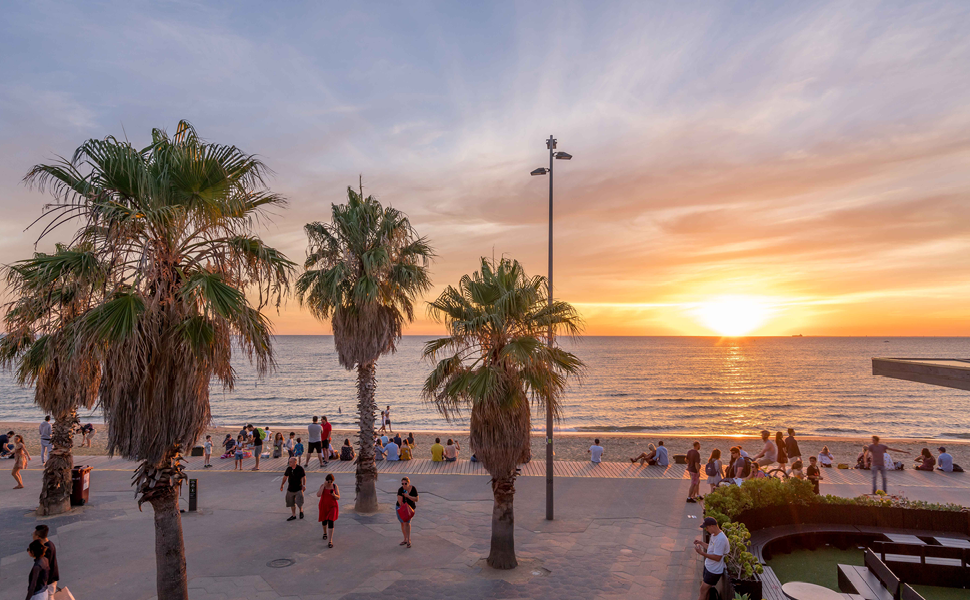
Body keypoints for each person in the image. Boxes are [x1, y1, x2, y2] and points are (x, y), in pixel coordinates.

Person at [694, 517, 729, 600]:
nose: (706, 529)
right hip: (709, 566)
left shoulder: (721, 539)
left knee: (702, 590)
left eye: (707, 527)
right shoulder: (714, 535)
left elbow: (718, 558)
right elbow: (711, 548)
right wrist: (700, 543)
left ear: (712, 526)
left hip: (714, 570)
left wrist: (702, 553)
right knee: (706, 591)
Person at [33, 525, 58, 597]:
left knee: (50, 597)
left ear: (38, 537)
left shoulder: (46, 549)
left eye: (33, 535)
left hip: (49, 579)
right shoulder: (50, 544)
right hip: (51, 578)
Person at [316, 473, 340, 547]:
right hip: (324, 506)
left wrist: (334, 495)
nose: (329, 484)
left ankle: (330, 541)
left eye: (331, 482)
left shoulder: (335, 486)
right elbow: (318, 495)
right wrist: (323, 486)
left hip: (333, 506)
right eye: (328, 482)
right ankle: (324, 532)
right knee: (324, 521)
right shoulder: (323, 486)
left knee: (331, 521)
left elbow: (338, 497)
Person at [280, 457, 306, 521]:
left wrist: (304, 485)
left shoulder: (300, 468)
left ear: (295, 462)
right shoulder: (288, 469)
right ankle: (293, 515)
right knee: (291, 503)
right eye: (289, 462)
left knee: (299, 502)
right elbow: (285, 477)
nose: (289, 463)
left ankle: (301, 511)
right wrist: (282, 485)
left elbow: (304, 477)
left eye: (291, 462)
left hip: (298, 488)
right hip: (290, 489)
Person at [396, 477, 418, 548]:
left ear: (409, 483)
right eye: (402, 483)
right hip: (401, 508)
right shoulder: (400, 490)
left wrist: (408, 496)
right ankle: (405, 539)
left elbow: (416, 499)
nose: (404, 485)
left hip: (410, 508)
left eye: (405, 483)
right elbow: (399, 501)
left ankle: (409, 540)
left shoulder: (413, 488)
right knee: (403, 523)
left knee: (407, 523)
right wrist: (404, 507)